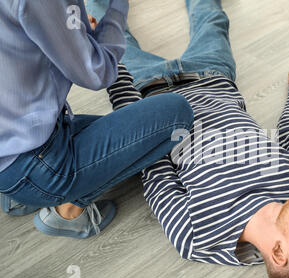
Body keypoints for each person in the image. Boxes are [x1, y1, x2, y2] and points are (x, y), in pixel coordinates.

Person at [91, 0, 289, 278]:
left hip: (146, 88)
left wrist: (112, 71)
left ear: (279, 251)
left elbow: (148, 157)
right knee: (211, 15)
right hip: (213, 74)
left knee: (107, 30)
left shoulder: (197, 236)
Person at [0, 0, 194, 238]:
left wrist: (73, 34)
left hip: (10, 148)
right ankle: (68, 212)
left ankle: (16, 198)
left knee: (130, 133)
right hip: (37, 164)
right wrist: (117, 10)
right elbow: (97, 73)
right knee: (175, 115)